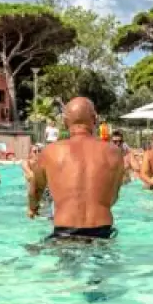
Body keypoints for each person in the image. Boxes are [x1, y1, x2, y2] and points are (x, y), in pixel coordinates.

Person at [28, 97, 125, 241]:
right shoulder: (114, 152)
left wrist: (33, 207)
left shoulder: (50, 151)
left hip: (65, 233)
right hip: (102, 232)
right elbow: (113, 197)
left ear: (65, 121)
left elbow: (35, 191)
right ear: (95, 119)